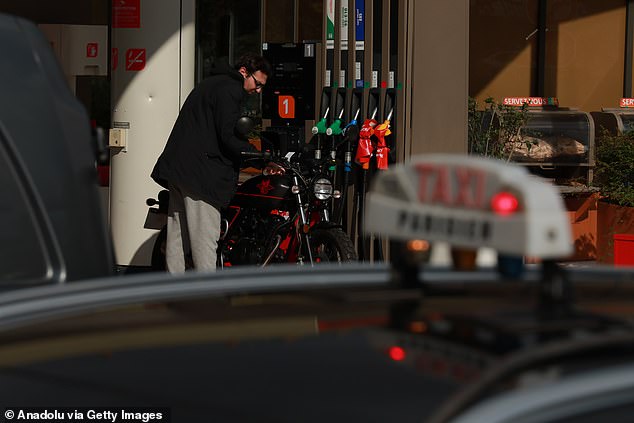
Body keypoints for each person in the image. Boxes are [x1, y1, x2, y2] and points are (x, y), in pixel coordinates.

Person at [151, 52, 271, 273]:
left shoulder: (212, 83)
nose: (258, 90)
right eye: (257, 83)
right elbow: (228, 134)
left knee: (178, 235)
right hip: (201, 175)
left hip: (180, 170)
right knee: (204, 240)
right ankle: (208, 297)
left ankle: (174, 292)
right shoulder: (230, 90)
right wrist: (258, 156)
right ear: (244, 71)